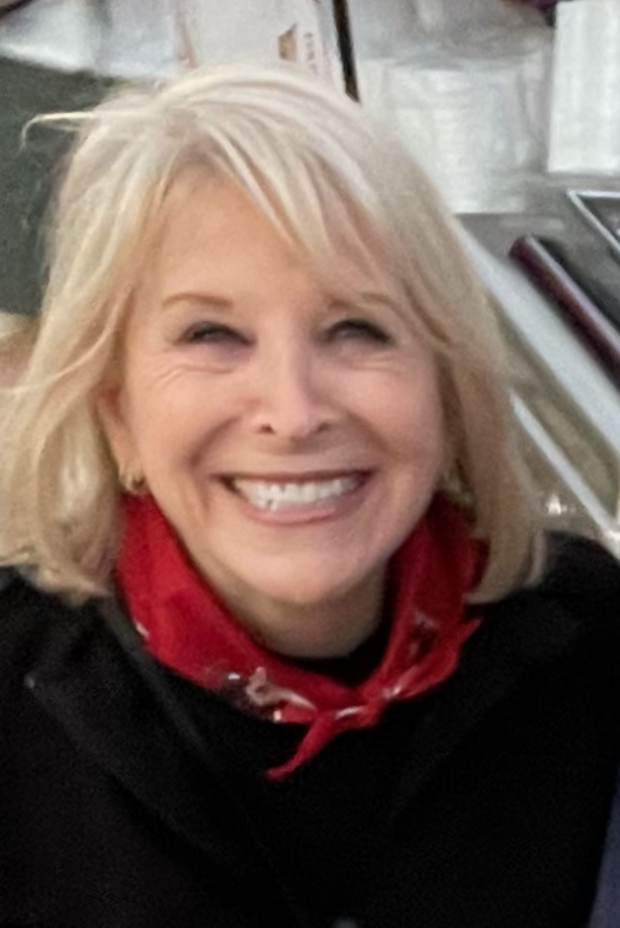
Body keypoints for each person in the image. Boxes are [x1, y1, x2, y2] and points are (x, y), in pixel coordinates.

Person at [0, 63, 619, 928]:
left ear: (447, 385)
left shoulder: (589, 646)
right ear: (118, 412)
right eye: (211, 334)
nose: (291, 413)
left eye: (356, 327)